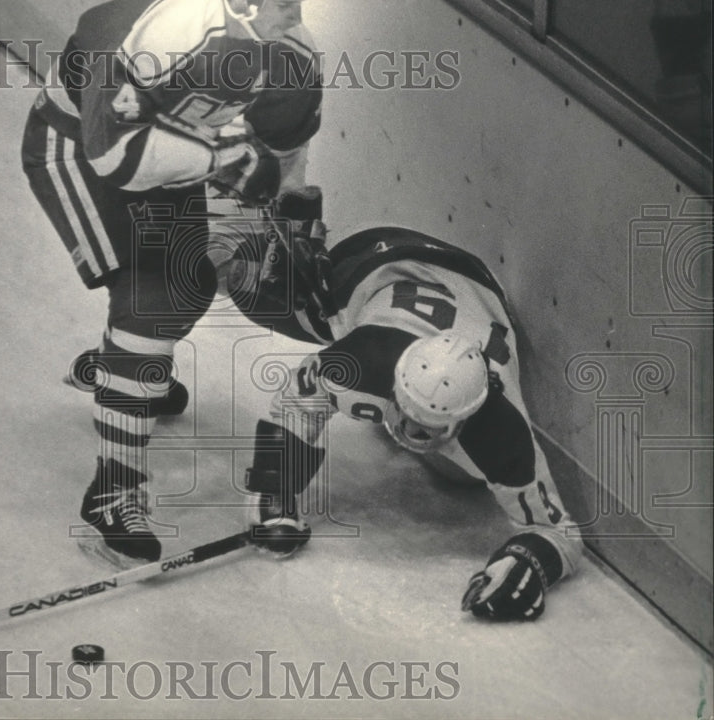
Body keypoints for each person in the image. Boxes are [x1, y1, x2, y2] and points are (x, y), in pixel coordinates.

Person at [20, 0, 324, 568]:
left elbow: (283, 151)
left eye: (301, 0)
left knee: (186, 288)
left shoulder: (294, 57)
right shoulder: (163, 37)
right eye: (284, 1)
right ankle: (113, 489)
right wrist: (220, 159)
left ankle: (121, 375)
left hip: (169, 158)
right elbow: (115, 160)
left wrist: (286, 223)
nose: (296, 14)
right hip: (77, 146)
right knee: (149, 301)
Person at [224, 220, 584, 622]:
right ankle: (307, 236)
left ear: (469, 414)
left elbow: (561, 534)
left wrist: (528, 563)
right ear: (395, 379)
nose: (410, 433)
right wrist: (272, 490)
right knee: (249, 278)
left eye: (430, 426)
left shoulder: (500, 430)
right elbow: (298, 400)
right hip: (374, 263)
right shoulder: (362, 362)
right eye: (408, 411)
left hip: (471, 287)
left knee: (460, 479)